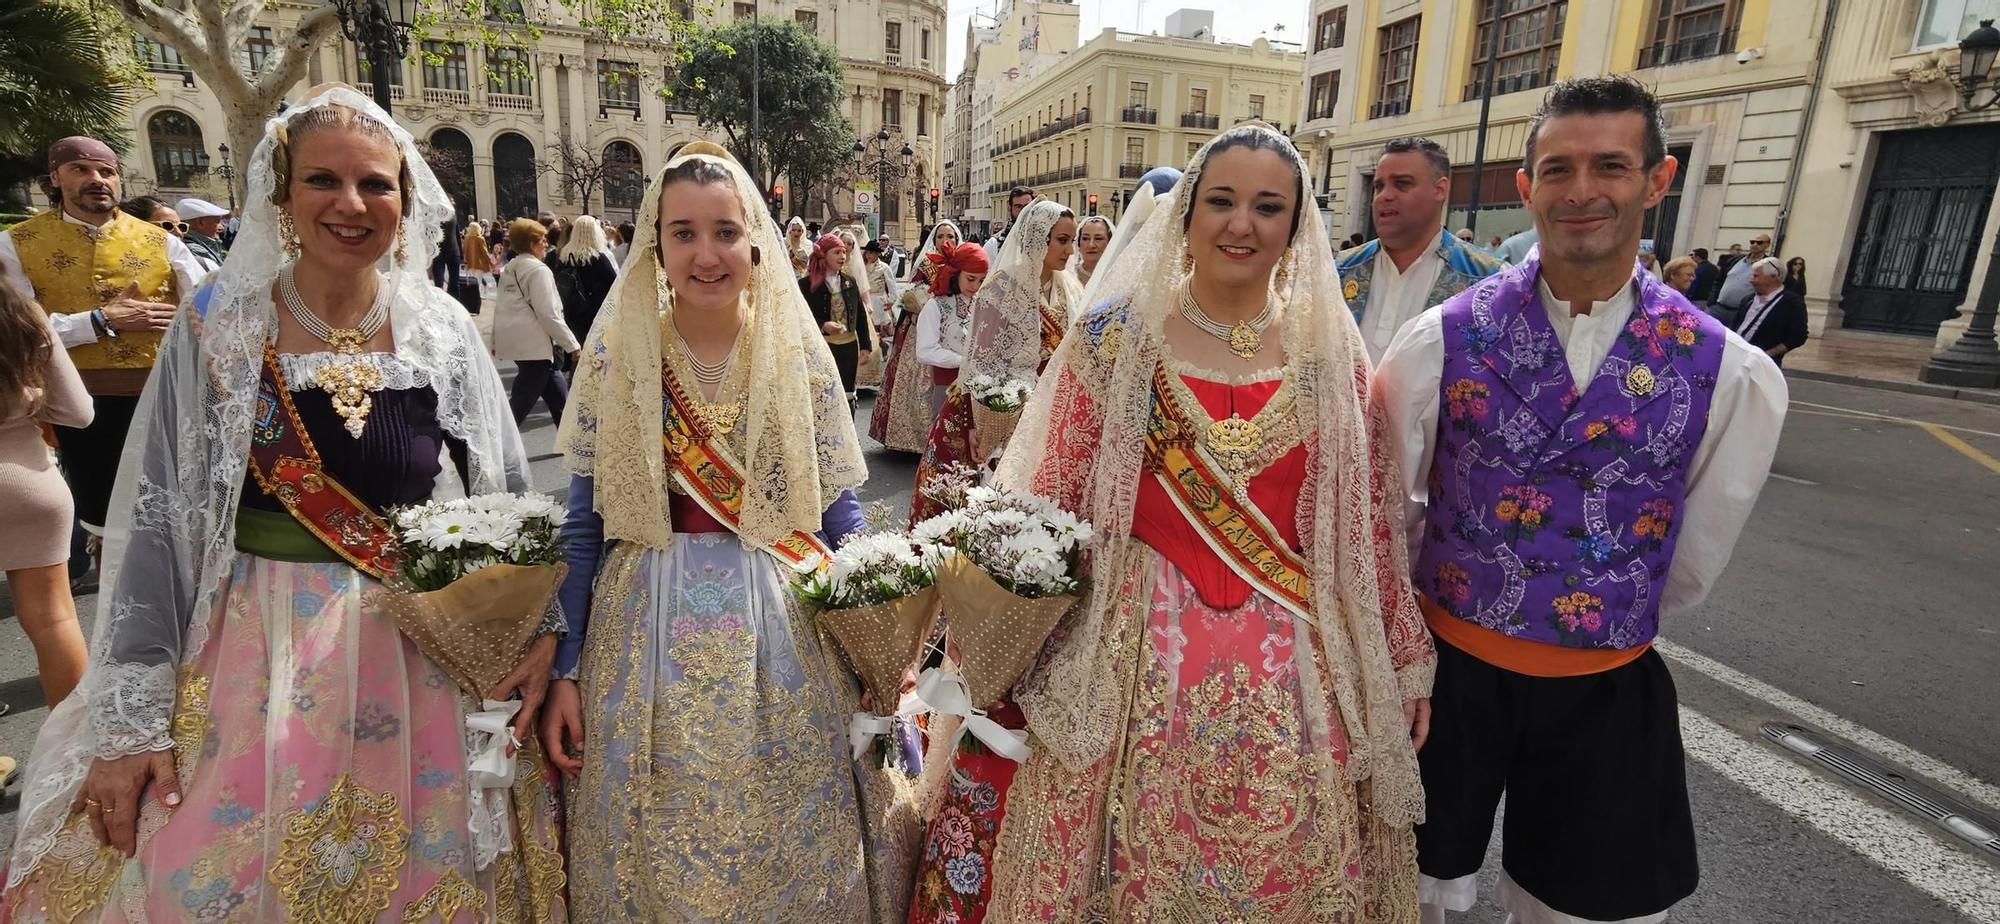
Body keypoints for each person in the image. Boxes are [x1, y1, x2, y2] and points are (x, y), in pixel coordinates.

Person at [0, 84, 567, 921]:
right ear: (281, 194)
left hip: (423, 655)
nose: (351, 203)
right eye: (322, 181)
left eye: (376, 183)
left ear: (404, 201)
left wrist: (536, 631)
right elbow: (158, 527)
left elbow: (508, 497)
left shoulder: (441, 328)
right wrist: (132, 727)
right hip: (255, 648)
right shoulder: (219, 327)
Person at [956, 123, 1435, 922]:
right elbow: (1046, 499)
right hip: (1129, 662)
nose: (1240, 224)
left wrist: (1402, 656)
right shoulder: (1112, 346)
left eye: (1267, 206)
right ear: (1187, 214)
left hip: (1296, 681)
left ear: (1295, 227)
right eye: (1221, 201)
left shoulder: (1330, 361)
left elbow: (1367, 528)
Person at [1375, 76, 1786, 924]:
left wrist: (1598, 611)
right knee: (1397, 898)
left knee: (1590, 912)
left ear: (1657, 180)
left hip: (1604, 692)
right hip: (1445, 683)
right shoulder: (1440, 340)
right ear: (1527, 188)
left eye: (1611, 166)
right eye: (1558, 169)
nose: (1583, 191)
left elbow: (1694, 551)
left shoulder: (1727, 370)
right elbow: (1387, 511)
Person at [544, 141, 915, 921]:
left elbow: (841, 515)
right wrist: (569, 667)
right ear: (656, 244)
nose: (706, 254)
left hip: (783, 626)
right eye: (683, 233)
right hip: (642, 630)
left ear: (757, 241)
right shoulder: (618, 355)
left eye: (724, 232)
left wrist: (888, 649)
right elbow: (582, 526)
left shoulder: (796, 355)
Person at [0, 138, 202, 552]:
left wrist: (183, 319)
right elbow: (20, 332)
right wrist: (98, 321)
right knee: (109, 528)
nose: (97, 180)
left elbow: (207, 307)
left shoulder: (160, 240)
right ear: (54, 178)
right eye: (81, 170)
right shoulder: (15, 244)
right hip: (81, 406)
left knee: (175, 522)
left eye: (106, 171)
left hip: (163, 397)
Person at [907, 199, 1077, 524]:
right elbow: (981, 364)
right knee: (965, 509)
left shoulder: (1068, 289)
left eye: (1072, 240)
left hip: (1046, 414)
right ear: (1039, 238)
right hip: (989, 411)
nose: (1070, 250)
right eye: (1062, 240)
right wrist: (985, 425)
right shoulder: (1000, 289)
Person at [0, 281, 92, 709]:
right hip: (29, 483)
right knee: (54, 620)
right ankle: (74, 750)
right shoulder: (21, 312)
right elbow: (78, 411)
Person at [1337, 136, 1503, 362]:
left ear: (1440, 190)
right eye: (1379, 186)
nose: (1385, 195)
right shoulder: (1339, 271)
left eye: (1402, 183)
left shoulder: (1489, 280)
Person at [871, 221, 962, 452]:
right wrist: (921, 304)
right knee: (915, 380)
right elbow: (914, 291)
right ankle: (911, 438)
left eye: (949, 236)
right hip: (922, 327)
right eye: (940, 236)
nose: (945, 241)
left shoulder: (963, 264)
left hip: (952, 331)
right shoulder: (927, 263)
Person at [493, 217, 582, 424]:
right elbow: (548, 313)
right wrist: (572, 344)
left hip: (525, 345)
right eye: (541, 239)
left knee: (559, 401)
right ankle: (498, 444)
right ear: (531, 243)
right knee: (519, 405)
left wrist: (497, 341)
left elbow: (502, 308)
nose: (546, 243)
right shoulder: (538, 271)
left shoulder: (512, 267)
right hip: (538, 346)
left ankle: (574, 447)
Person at [911, 241, 990, 414]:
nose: (976, 286)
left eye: (981, 280)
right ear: (956, 273)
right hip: (947, 386)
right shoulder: (935, 306)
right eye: (970, 278)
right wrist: (962, 362)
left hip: (981, 387)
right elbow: (925, 351)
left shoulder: (982, 304)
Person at [800, 232, 876, 405]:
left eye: (844, 252)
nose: (843, 256)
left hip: (848, 347)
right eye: (837, 252)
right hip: (820, 347)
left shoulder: (850, 282)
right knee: (824, 395)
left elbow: (861, 316)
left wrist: (865, 346)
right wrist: (823, 325)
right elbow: (801, 317)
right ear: (823, 255)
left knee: (847, 394)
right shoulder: (806, 285)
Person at [552, 213, 620, 346]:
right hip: (596, 312)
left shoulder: (564, 255)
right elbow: (614, 284)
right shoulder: (598, 257)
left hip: (571, 310)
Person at [1739, 256, 1810, 366]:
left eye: (1756, 276)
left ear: (1773, 277)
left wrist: (1768, 354)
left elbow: (1798, 336)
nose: (1751, 280)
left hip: (1763, 364)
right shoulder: (1747, 300)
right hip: (1737, 358)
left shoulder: (1792, 303)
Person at [984, 185, 1037, 264]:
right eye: (1018, 206)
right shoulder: (994, 244)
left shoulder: (1045, 240)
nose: (1023, 211)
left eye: (1027, 206)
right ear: (1010, 208)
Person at [176, 196, 231, 271]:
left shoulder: (201, 245)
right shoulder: (195, 249)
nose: (221, 227)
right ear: (200, 223)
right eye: (217, 221)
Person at [1069, 214, 1114, 286]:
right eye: (1085, 238)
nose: (1091, 245)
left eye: (1098, 239)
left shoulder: (1117, 276)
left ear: (1109, 242)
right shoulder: (1069, 275)